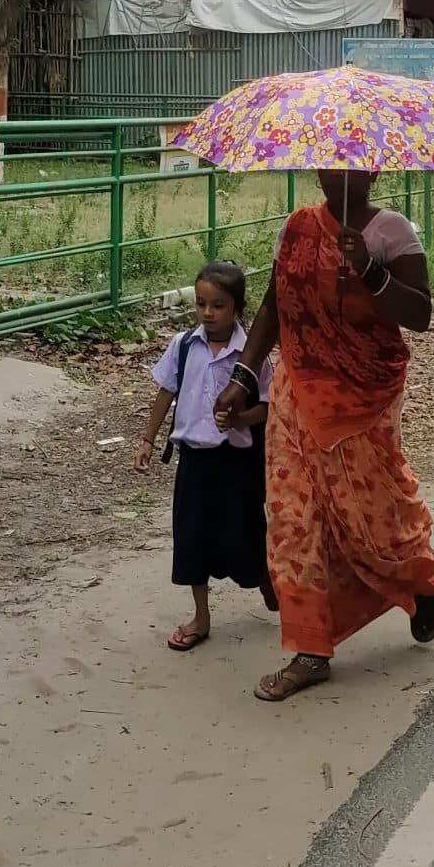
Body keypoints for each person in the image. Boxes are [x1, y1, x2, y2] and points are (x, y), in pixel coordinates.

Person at [214, 170, 434, 703]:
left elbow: (421, 314)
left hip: (363, 398)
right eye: (328, 162)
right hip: (297, 390)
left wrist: (370, 271)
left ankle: (415, 577)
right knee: (293, 517)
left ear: (374, 169)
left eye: (350, 164)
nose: (336, 172)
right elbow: (274, 306)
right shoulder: (297, 227)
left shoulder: (392, 232)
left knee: (374, 514)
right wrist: (243, 378)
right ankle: (310, 649)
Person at [135, 260, 275, 650]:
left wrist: (241, 418)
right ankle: (201, 616)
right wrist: (147, 440)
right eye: (201, 304)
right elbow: (165, 392)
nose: (208, 313)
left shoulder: (251, 355)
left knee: (247, 533)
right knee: (192, 537)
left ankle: (266, 579)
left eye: (218, 305)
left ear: (237, 308)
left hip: (237, 462)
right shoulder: (184, 346)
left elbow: (270, 404)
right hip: (194, 461)